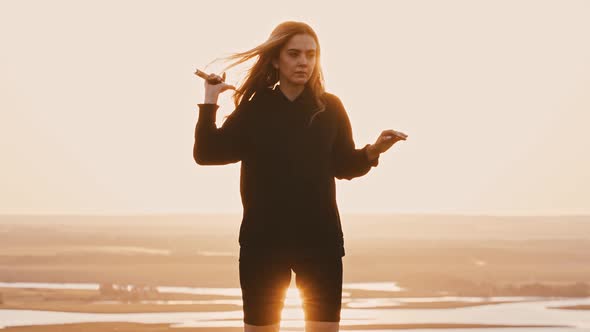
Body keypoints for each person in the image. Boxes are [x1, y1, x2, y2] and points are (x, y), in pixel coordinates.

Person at [193, 21, 408, 332]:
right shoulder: (255, 110)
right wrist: (210, 99)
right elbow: (208, 155)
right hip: (262, 243)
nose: (304, 62)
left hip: (320, 242)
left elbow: (344, 165)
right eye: (294, 54)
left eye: (311, 54)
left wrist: (374, 150)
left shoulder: (330, 108)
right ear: (276, 59)